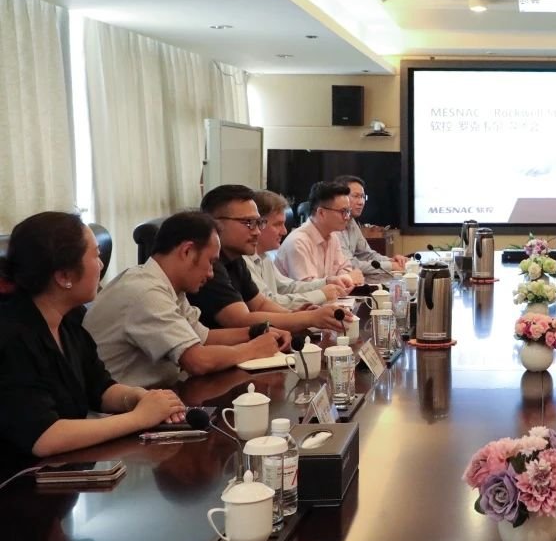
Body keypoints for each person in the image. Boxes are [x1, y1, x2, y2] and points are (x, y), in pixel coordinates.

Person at [0, 212, 186, 461]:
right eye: (96, 255)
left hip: (63, 469)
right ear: (64, 276)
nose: (101, 266)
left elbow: (100, 388)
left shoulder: (70, 318)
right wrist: (139, 418)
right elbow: (44, 437)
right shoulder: (12, 337)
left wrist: (139, 397)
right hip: (18, 477)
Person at [84, 212, 288, 388]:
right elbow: (197, 361)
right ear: (187, 251)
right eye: (210, 262)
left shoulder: (166, 285)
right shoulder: (144, 292)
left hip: (155, 397)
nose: (211, 273)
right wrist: (253, 349)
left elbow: (203, 337)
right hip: (118, 411)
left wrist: (257, 332)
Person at [188, 185, 350, 332]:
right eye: (248, 222)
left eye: (258, 223)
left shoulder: (236, 259)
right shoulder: (210, 264)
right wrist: (308, 318)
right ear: (216, 223)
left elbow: (260, 304)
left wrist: (296, 315)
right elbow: (240, 319)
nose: (257, 231)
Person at [246, 190, 348, 309]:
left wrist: (326, 282)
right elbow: (268, 303)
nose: (284, 231)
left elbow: (287, 287)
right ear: (257, 224)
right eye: (277, 224)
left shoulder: (264, 256)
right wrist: (321, 294)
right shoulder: (243, 261)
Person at [276, 181, 366, 283]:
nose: (347, 217)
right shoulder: (298, 242)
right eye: (343, 212)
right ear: (321, 213)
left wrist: (343, 279)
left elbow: (345, 267)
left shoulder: (332, 236)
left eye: (348, 211)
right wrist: (346, 279)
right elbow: (308, 287)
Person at [336, 176, 409, 279]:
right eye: (356, 196)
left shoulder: (351, 222)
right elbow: (350, 265)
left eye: (363, 197)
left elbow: (367, 254)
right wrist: (390, 266)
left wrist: (391, 260)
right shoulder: (334, 226)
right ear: (340, 197)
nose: (361, 202)